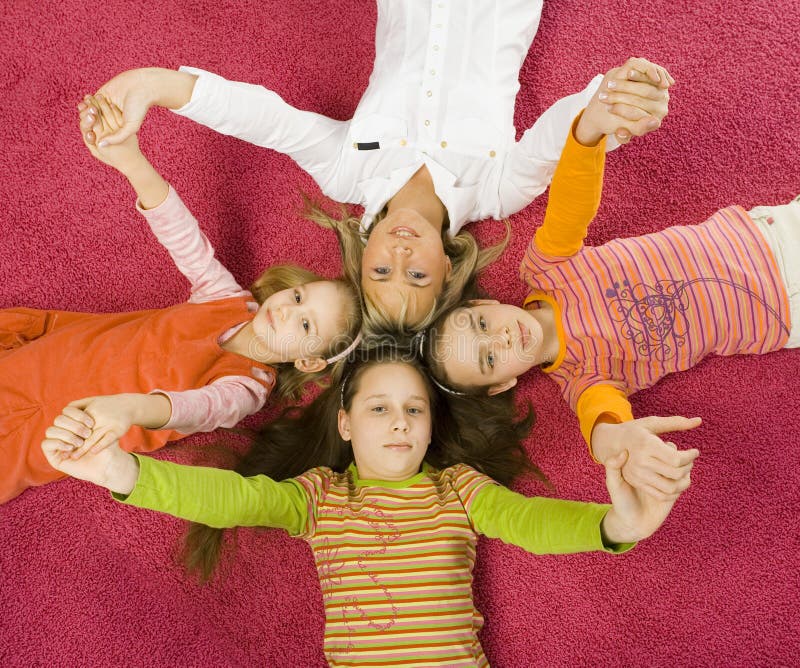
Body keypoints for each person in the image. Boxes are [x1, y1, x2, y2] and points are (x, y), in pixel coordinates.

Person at [41, 350, 694, 666]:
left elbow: (529, 521)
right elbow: (234, 499)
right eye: (380, 408)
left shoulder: (457, 489)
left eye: (414, 410)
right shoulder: (322, 496)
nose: (401, 422)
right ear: (348, 424)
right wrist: (118, 470)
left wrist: (617, 526)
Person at [78, 0, 673, 331]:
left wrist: (155, 85)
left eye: (380, 273)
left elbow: (269, 120)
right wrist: (610, 106)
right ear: (449, 271)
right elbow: (565, 138)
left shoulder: (348, 175)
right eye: (416, 277)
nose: (401, 257)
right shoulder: (496, 191)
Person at [420, 82, 799, 500]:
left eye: (482, 324)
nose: (502, 336)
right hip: (781, 314)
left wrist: (588, 134)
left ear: (484, 303)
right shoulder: (581, 378)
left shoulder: (545, 271)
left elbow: (570, 204)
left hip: (764, 236)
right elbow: (603, 424)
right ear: (500, 387)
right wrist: (621, 447)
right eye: (490, 357)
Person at [0, 96, 362, 505]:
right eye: (298, 297)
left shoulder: (247, 387)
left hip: (73, 421)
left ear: (310, 361)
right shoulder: (228, 299)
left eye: (306, 325)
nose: (288, 311)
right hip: (54, 359)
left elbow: (193, 408)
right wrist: (130, 159)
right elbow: (183, 237)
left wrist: (128, 410)